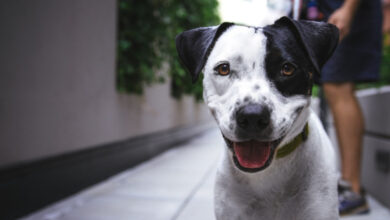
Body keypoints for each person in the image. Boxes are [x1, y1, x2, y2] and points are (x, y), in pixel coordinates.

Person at [316, 0, 383, 216]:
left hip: (346, 12)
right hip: (336, 12)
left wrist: (348, 8)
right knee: (334, 86)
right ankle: (348, 186)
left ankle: (353, 190)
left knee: (338, 85)